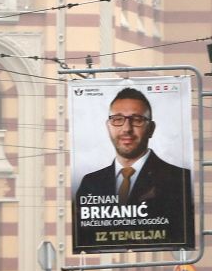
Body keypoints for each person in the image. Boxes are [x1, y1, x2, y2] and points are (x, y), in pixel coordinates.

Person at [73, 87, 193, 239]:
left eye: (137, 120)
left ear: (151, 129)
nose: (126, 129)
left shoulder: (179, 180)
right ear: (108, 126)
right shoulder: (90, 183)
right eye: (117, 119)